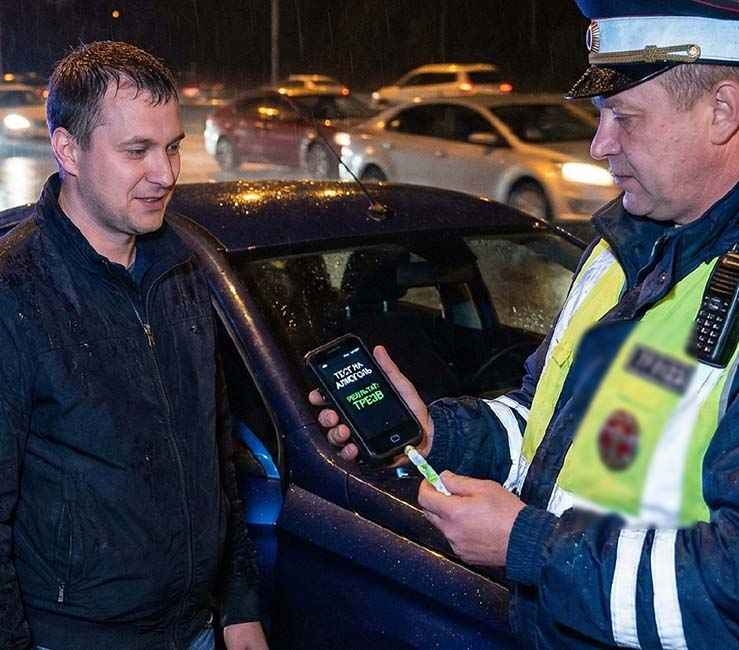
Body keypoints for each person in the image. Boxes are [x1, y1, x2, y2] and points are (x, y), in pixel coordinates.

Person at [313, 1, 739, 647]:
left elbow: (728, 592)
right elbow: (545, 425)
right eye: (600, 116)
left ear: (722, 111)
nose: (600, 145)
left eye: (625, 118)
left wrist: (526, 543)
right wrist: (437, 435)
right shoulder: (620, 253)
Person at [0, 41, 267, 650]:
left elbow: (214, 452)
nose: (166, 174)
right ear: (68, 149)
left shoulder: (183, 269)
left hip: (195, 631)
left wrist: (239, 609)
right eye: (137, 151)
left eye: (172, 147)